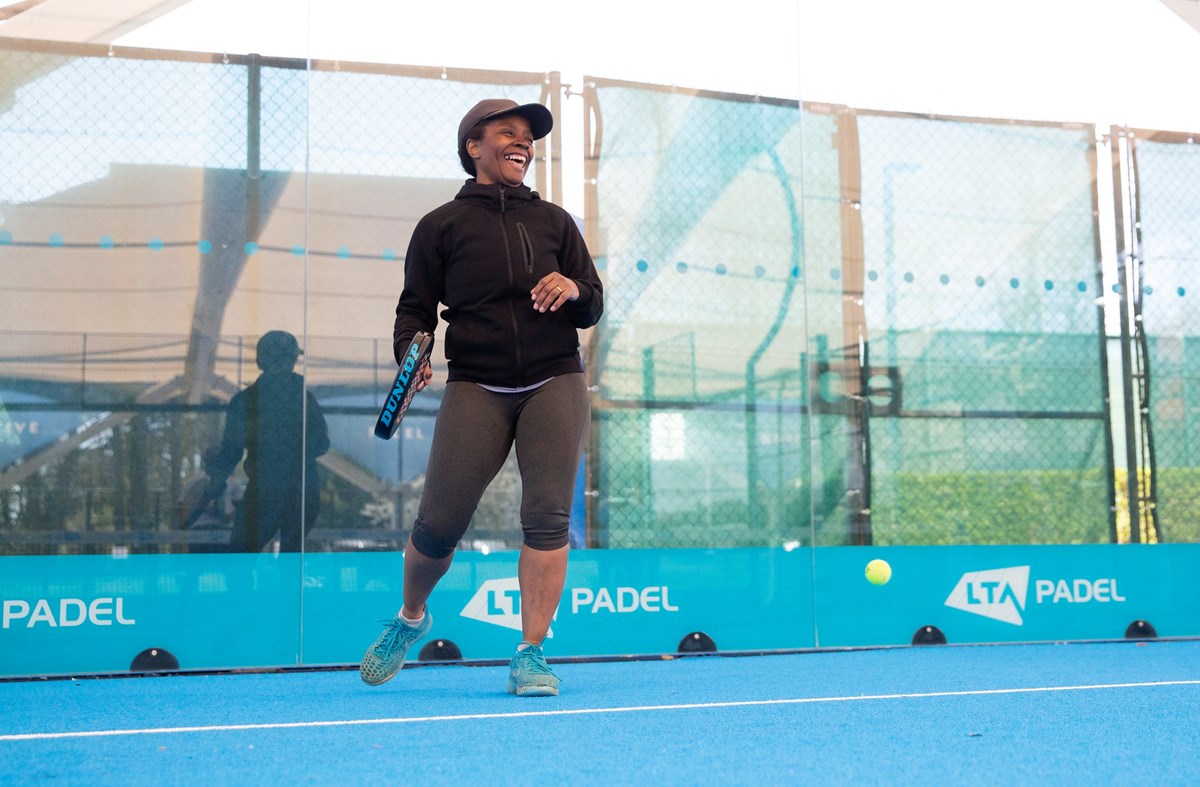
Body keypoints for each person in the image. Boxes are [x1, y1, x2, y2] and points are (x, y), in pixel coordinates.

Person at [359, 99, 603, 697]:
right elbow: (415, 307)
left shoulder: (556, 222)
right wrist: (410, 351)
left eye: (529, 137)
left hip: (554, 378)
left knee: (547, 518)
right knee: (438, 525)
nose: (524, 143)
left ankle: (530, 654)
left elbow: (592, 302)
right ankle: (411, 618)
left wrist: (572, 287)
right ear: (474, 146)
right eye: (508, 133)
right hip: (477, 386)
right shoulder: (440, 225)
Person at [205, 330, 330, 552]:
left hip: (266, 490)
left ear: (261, 360)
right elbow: (321, 443)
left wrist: (215, 480)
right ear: (292, 360)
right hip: (302, 491)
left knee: (240, 557)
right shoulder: (304, 400)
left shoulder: (246, 401)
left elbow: (231, 450)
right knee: (291, 561)